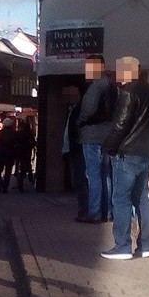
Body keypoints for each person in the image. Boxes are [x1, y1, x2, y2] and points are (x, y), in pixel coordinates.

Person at [100, 56, 149, 260]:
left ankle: (122, 247)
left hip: (127, 154)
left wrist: (108, 148)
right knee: (142, 198)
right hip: (145, 153)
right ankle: (145, 246)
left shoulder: (128, 92)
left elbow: (120, 125)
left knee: (121, 199)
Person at [76, 54, 118, 223]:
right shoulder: (111, 86)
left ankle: (94, 212)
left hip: (92, 135)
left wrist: (79, 121)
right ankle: (106, 213)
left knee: (93, 175)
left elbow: (89, 110)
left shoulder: (96, 85)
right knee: (106, 176)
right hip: (108, 135)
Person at [61, 85, 87, 218]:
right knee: (79, 181)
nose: (66, 94)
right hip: (74, 149)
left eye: (69, 92)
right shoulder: (73, 109)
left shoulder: (80, 109)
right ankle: (84, 209)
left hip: (78, 150)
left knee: (81, 181)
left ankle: (84, 211)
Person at [0, 117, 20, 194]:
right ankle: (5, 187)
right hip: (10, 154)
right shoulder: (15, 133)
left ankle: (0, 183)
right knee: (8, 172)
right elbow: (17, 143)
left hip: (0, 154)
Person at [15, 119, 36, 192]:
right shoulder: (29, 134)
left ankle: (19, 179)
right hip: (27, 152)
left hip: (19, 152)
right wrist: (30, 146)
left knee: (19, 165)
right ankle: (30, 177)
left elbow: (15, 142)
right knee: (28, 164)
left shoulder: (18, 134)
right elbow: (33, 143)